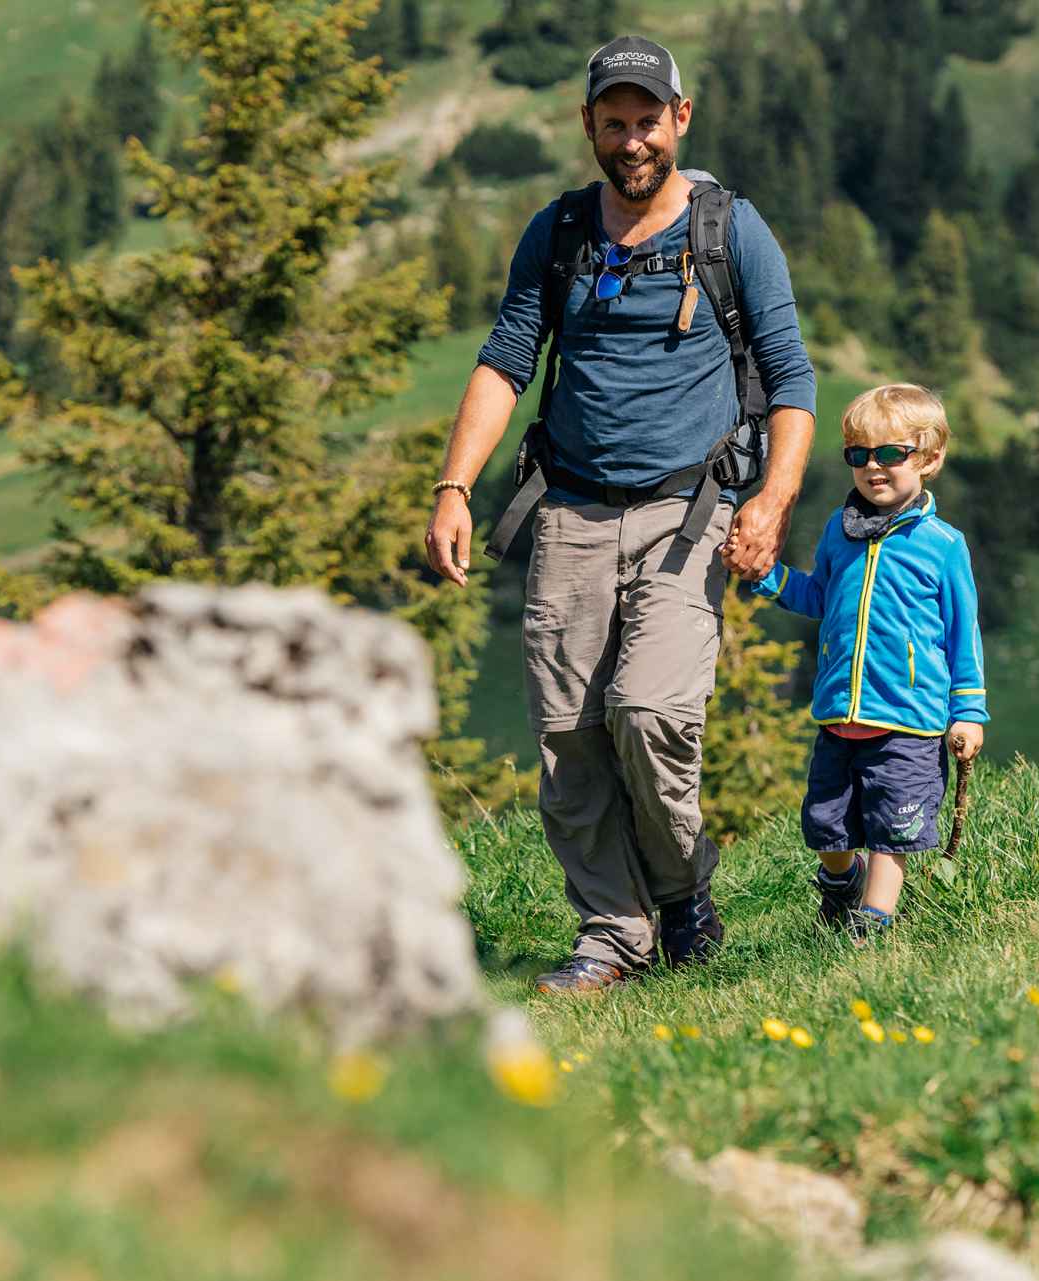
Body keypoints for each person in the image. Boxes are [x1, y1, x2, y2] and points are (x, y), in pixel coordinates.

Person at [422, 36, 817, 994]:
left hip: (691, 511)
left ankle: (682, 890)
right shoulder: (559, 232)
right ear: (588, 126)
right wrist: (453, 486)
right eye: (615, 122)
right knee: (568, 733)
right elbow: (507, 357)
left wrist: (770, 499)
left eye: (648, 120)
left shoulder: (729, 228)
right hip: (569, 510)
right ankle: (614, 929)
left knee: (648, 709)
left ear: (680, 120)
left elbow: (793, 376)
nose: (632, 139)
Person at [748, 384, 988, 941]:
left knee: (893, 826)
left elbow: (963, 634)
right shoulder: (839, 530)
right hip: (839, 714)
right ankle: (842, 880)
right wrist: (770, 578)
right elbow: (820, 597)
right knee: (826, 826)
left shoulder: (943, 545)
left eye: (889, 454)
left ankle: (873, 921)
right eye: (858, 455)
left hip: (909, 721)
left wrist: (969, 711)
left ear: (929, 459)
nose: (872, 468)